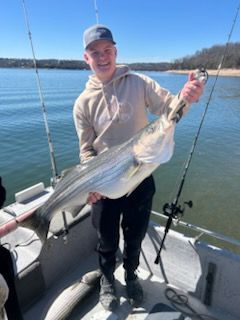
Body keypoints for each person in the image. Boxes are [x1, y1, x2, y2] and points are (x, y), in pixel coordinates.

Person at [73, 24, 204, 311]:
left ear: (116, 52)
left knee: (135, 237)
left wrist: (187, 97)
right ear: (87, 58)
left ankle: (131, 275)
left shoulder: (139, 82)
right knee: (106, 241)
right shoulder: (82, 103)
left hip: (141, 177)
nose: (103, 57)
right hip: (105, 184)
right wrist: (91, 185)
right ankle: (107, 279)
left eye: (107, 50)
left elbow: (170, 112)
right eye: (95, 53)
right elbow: (86, 151)